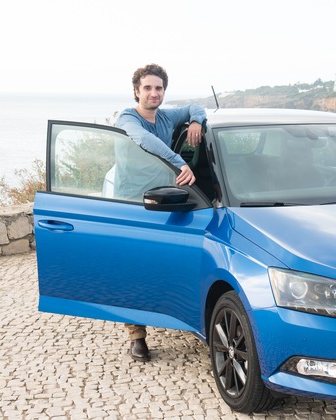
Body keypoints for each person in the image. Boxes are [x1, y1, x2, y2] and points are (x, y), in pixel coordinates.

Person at [115, 63, 207, 362]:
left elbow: (196, 106)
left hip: (166, 200)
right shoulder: (128, 117)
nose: (154, 93)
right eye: (148, 88)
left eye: (159, 88)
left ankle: (173, 314)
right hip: (133, 202)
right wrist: (179, 161)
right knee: (132, 268)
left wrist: (196, 122)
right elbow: (145, 141)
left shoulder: (167, 115)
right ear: (136, 92)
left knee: (163, 264)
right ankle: (137, 335)